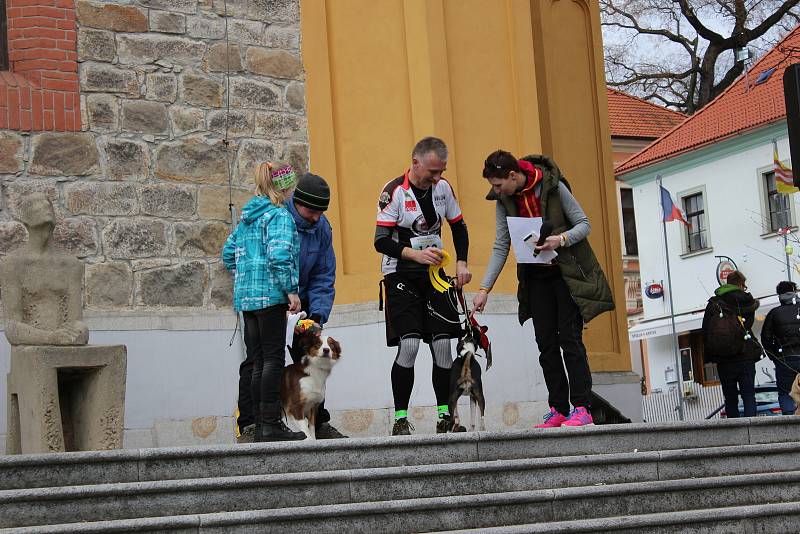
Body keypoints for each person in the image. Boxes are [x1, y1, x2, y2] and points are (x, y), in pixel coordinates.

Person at [472, 150, 614, 428]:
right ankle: (558, 408)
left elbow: (584, 224)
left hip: (566, 274)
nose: (495, 190)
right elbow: (502, 245)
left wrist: (559, 240)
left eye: (498, 184)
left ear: (513, 175)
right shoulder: (504, 200)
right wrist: (484, 288)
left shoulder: (553, 186)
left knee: (570, 340)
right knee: (545, 344)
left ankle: (582, 407)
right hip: (535, 278)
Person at [236, 172, 347, 441]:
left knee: (312, 360)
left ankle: (317, 421)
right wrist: (280, 292)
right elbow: (272, 257)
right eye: (312, 210)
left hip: (303, 303)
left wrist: (316, 316)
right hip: (273, 297)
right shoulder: (277, 216)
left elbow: (324, 274)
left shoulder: (322, 228)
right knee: (259, 360)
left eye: (321, 211)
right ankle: (254, 423)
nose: (316, 217)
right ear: (296, 202)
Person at [374, 136, 472, 436]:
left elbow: (459, 226)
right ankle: (400, 418)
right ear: (415, 162)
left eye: (441, 171)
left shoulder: (443, 188)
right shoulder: (394, 192)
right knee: (411, 345)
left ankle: (446, 415)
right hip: (400, 275)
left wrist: (462, 263)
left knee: (443, 345)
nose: (437, 177)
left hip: (433, 275)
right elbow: (380, 241)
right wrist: (414, 254)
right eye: (432, 171)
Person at [223, 162, 305, 442]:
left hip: (247, 300)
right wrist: (291, 291)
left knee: (258, 361)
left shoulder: (247, 218)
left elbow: (227, 253)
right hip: (271, 298)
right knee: (272, 360)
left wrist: (246, 274)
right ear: (283, 187)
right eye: (290, 186)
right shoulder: (278, 216)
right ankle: (270, 423)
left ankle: (259, 423)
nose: (292, 191)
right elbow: (279, 256)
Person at [701, 271, 761, 418]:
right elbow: (749, 324)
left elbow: (706, 329)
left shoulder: (715, 302)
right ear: (741, 284)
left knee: (730, 398)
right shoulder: (747, 301)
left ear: (727, 283)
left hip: (724, 358)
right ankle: (752, 431)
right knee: (748, 396)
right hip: (745, 354)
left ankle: (734, 433)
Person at [761, 280, 800, 415]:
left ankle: (789, 422)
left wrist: (775, 357)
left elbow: (765, 338)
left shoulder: (774, 313)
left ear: (779, 295)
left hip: (784, 359)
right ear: (794, 291)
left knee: (785, 393)